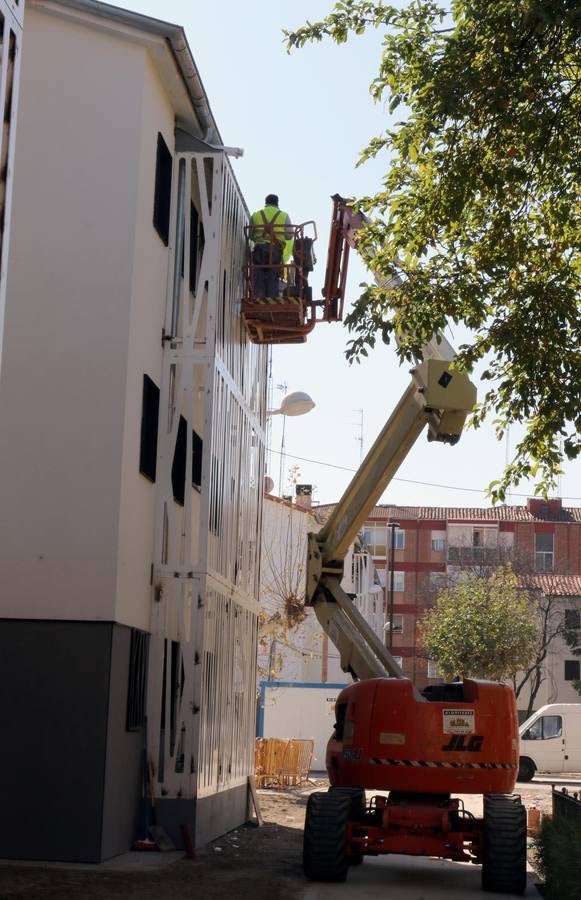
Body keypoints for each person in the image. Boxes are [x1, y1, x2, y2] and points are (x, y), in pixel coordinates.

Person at [250, 194, 294, 298]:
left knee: (259, 273)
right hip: (275, 251)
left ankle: (258, 297)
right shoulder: (284, 215)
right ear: (277, 203)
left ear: (265, 203)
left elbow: (250, 235)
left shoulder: (256, 215)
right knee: (272, 273)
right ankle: (271, 298)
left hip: (259, 249)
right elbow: (289, 236)